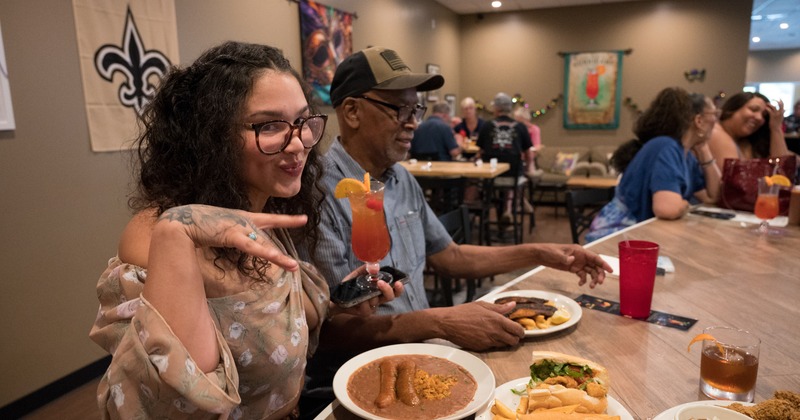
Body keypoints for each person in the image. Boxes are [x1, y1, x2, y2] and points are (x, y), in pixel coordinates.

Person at [295, 45, 612, 417]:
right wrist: (442, 320)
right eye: (399, 109)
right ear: (351, 112)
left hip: (428, 358)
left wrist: (541, 253)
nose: (412, 121)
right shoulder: (316, 193)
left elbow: (451, 256)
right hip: (360, 386)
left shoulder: (400, 178)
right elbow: (332, 331)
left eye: (416, 109)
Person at [88, 41, 400, 419]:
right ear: (211, 137)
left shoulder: (261, 213)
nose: (299, 143)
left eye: (302, 121)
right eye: (270, 125)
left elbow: (273, 317)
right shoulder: (156, 237)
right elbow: (163, 405)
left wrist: (340, 301)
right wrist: (175, 233)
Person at [585, 87, 721, 242]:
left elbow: (712, 196)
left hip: (641, 235)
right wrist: (686, 204)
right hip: (616, 237)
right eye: (714, 114)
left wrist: (704, 149)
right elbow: (667, 209)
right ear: (698, 120)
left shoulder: (685, 154)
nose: (717, 121)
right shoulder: (665, 147)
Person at [477, 92, 536, 221]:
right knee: (517, 180)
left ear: (496, 108)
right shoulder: (520, 127)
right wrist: (527, 170)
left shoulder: (487, 126)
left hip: (491, 178)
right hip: (513, 178)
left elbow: (480, 152)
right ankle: (511, 208)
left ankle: (484, 219)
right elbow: (529, 154)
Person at [707, 91, 790, 163]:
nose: (759, 118)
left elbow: (782, 172)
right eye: (753, 109)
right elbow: (736, 178)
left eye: (764, 115)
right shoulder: (715, 132)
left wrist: (775, 127)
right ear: (732, 110)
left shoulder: (746, 142)